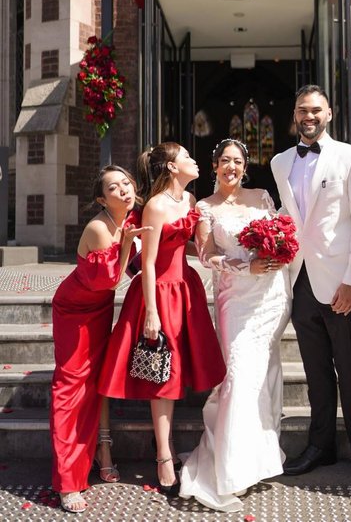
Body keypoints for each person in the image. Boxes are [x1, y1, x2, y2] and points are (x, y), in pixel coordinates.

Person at [270, 84, 351, 489]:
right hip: (300, 282)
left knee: (350, 370)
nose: (309, 116)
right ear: (295, 113)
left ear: (330, 114)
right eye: (303, 109)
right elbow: (290, 217)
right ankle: (320, 446)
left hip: (342, 282)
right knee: (315, 370)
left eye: (316, 110)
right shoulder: (280, 161)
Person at [98, 142, 226, 496]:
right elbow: (149, 263)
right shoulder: (155, 206)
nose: (194, 160)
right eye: (186, 156)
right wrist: (151, 312)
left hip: (186, 289)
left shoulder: (188, 201)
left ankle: (169, 451)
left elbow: (201, 248)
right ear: (171, 167)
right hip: (159, 293)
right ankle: (164, 456)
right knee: (161, 373)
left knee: (176, 369)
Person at [179, 138, 291, 512]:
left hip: (271, 296)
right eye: (225, 160)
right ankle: (228, 468)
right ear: (214, 166)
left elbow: (280, 236)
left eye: (238, 161)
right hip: (234, 299)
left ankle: (257, 459)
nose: (231, 166)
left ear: (246, 166)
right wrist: (245, 266)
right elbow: (208, 254)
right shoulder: (204, 207)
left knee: (263, 373)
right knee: (239, 375)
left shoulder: (261, 197)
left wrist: (274, 253)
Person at [51, 165, 148, 513]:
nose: (123, 189)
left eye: (126, 182)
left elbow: (141, 263)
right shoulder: (98, 227)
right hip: (74, 311)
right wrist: (126, 245)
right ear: (100, 198)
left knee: (95, 384)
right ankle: (66, 481)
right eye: (113, 187)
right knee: (70, 388)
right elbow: (110, 280)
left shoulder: (134, 217)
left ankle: (96, 452)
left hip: (100, 310)